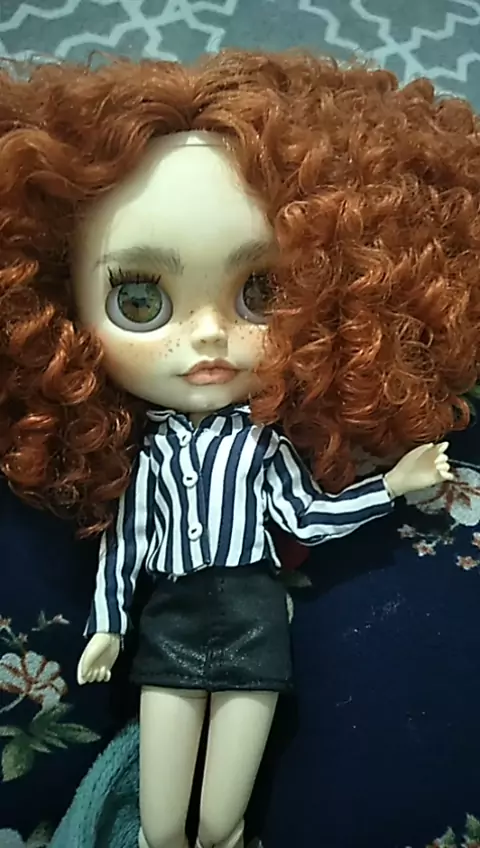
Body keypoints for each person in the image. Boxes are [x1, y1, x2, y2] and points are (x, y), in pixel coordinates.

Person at [0, 50, 478, 847]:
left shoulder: (262, 445)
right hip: (170, 620)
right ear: (57, 307)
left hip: (255, 620)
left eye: (262, 292)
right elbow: (127, 545)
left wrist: (392, 484)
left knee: (222, 816)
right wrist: (109, 625)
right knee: (162, 820)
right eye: (140, 299)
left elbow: (308, 515)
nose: (208, 336)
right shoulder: (148, 455)